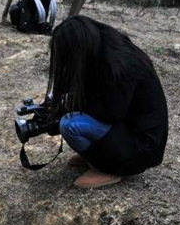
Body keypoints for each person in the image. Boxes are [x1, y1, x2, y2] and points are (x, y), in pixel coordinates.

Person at [46, 15, 169, 188]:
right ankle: (97, 154)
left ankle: (109, 168)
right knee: (71, 113)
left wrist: (69, 105)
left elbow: (111, 113)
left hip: (140, 147)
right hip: (127, 131)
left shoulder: (121, 64)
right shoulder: (104, 50)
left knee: (70, 124)